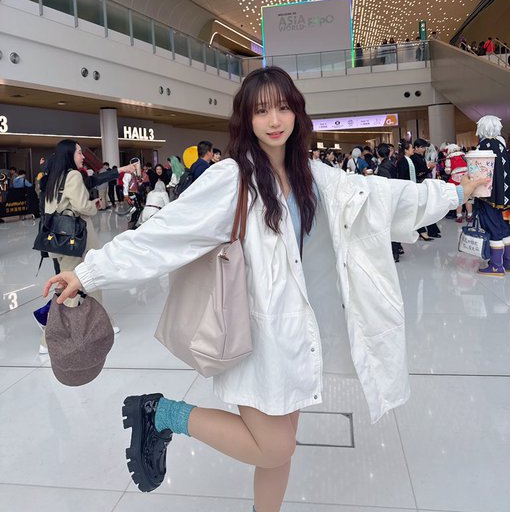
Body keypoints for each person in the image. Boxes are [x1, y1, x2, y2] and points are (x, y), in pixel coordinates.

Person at [44, 67, 481, 512]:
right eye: (261, 110)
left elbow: (383, 197)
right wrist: (90, 272)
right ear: (246, 119)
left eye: (283, 108)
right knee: (274, 447)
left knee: (280, 448)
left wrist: (453, 193)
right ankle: (161, 414)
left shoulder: (315, 176)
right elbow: (165, 233)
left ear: (297, 113)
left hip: (298, 336)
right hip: (256, 335)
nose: (274, 120)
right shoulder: (232, 178)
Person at [39, 139, 118, 354]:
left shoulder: (53, 178)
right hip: (78, 240)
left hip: (60, 240)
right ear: (69, 155)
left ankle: (103, 323)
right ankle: (48, 339)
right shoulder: (73, 175)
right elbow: (82, 206)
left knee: (81, 283)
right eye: (79, 152)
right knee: (76, 286)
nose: (83, 157)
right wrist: (94, 206)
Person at [474, 115, 510, 276]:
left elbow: (477, 172)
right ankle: (507, 262)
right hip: (505, 196)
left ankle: (496, 265)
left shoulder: (484, 146)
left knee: (493, 227)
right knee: (504, 228)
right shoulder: (501, 145)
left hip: (488, 196)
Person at [376, 143, 403, 262]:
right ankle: (398, 248)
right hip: (395, 196)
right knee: (394, 223)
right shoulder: (392, 163)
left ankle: (394, 252)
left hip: (387, 198)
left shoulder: (383, 167)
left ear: (378, 153)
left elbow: (385, 185)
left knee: (388, 225)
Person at [445, 144, 473, 222]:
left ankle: (459, 216)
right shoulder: (464, 155)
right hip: (466, 178)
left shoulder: (449, 158)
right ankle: (470, 215)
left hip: (455, 180)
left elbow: (448, 171)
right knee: (468, 198)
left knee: (459, 199)